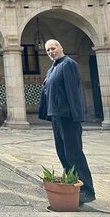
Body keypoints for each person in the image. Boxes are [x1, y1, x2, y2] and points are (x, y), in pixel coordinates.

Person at [39, 39, 95, 205]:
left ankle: (87, 190)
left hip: (68, 117)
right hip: (57, 116)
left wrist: (76, 115)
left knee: (74, 153)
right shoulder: (53, 67)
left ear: (61, 47)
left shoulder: (68, 64)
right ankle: (73, 185)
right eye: (48, 50)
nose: (51, 52)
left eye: (53, 48)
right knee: (62, 153)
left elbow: (73, 91)